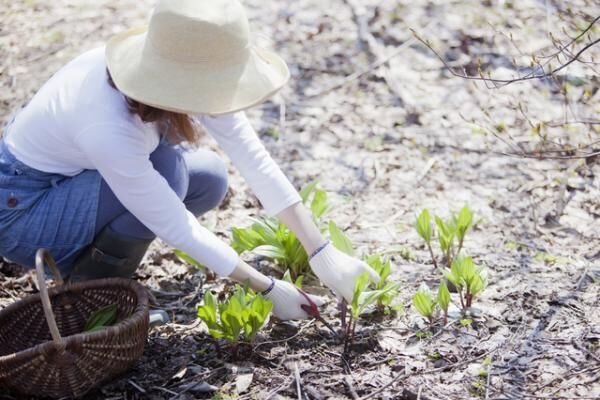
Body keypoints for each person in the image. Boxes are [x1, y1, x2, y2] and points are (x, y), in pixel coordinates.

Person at [0, 0, 379, 320]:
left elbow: (253, 157)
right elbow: (172, 222)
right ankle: (88, 297)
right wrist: (265, 287)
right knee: (168, 173)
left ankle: (97, 257)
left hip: (70, 177)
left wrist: (322, 252)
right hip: (24, 209)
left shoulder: (185, 60)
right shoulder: (107, 122)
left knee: (208, 177)